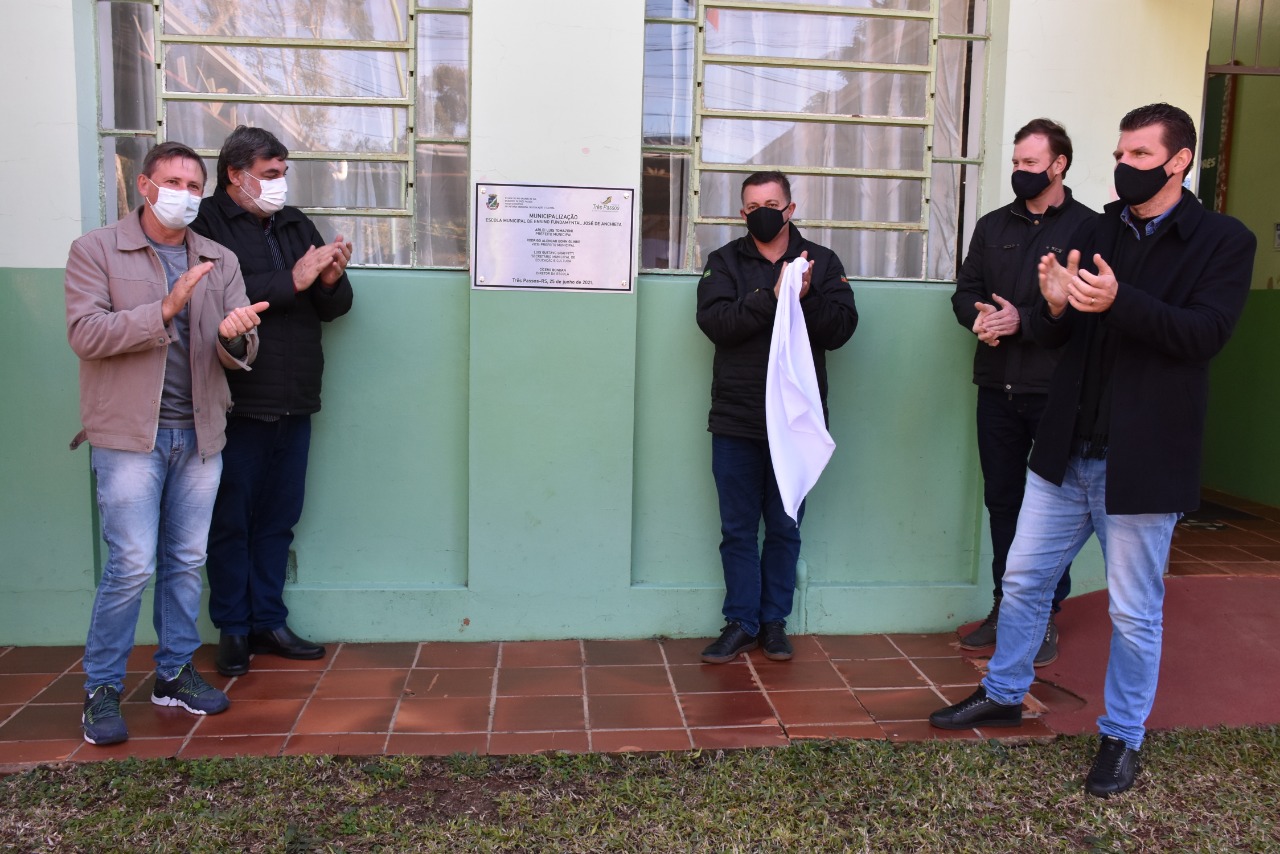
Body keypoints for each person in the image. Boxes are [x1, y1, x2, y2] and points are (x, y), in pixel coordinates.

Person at [930, 104, 1256, 797]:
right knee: (1022, 579)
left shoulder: (1224, 240)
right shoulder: (1099, 229)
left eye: (1140, 155)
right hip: (1066, 450)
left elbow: (1204, 336)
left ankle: (1122, 737)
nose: (1124, 166)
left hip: (1143, 463)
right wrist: (1054, 307)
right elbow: (1061, 340)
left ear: (1179, 161)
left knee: (1134, 611)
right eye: (1120, 152)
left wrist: (1118, 301)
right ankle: (1006, 691)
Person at [66, 141, 267, 745]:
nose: (183, 192)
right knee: (130, 564)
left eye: (193, 183)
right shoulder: (96, 250)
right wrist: (164, 309)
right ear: (145, 187)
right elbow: (85, 333)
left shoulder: (219, 258)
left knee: (186, 561)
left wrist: (237, 337)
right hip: (130, 436)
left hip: (201, 435)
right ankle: (101, 687)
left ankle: (173, 673)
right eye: (172, 180)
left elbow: (241, 353)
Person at [191, 126, 353, 677]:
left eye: (284, 174)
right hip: (235, 400)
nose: (281, 185)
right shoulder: (206, 223)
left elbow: (332, 307)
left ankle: (268, 621)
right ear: (236, 175)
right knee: (230, 521)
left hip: (295, 397)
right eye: (270, 175)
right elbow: (220, 298)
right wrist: (296, 278)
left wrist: (330, 279)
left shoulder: (293, 222)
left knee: (279, 521)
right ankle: (233, 629)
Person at [695, 171, 859, 664]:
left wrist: (804, 297)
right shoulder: (724, 262)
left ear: (790, 208)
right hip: (737, 419)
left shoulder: (823, 263)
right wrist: (773, 295)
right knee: (738, 528)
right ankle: (741, 621)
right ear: (742, 214)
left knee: (785, 527)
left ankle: (773, 623)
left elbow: (843, 328)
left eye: (771, 203)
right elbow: (715, 323)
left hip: (794, 423)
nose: (761, 212)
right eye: (751, 206)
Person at [951, 119, 1097, 666]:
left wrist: (1024, 322)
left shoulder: (1090, 228)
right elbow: (965, 292)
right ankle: (1005, 607)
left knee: (1051, 511)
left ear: (1059, 165)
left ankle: (1044, 616)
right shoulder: (992, 226)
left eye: (1030, 164)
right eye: (1016, 163)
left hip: (1058, 394)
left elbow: (1089, 309)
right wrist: (980, 319)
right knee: (1002, 501)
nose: (1020, 172)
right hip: (997, 388)